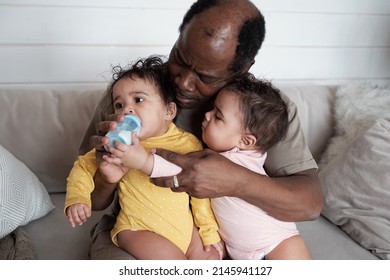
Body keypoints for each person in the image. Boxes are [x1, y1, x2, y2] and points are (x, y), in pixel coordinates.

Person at [80, 0, 323, 259]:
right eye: (179, 59)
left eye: (205, 77)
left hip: (219, 242)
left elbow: (310, 204)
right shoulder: (133, 94)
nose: (183, 82)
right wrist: (108, 175)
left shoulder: (263, 110)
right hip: (139, 230)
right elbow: (91, 199)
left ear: (242, 70)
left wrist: (236, 180)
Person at [65, 56, 223, 260]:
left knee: (212, 257)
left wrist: (208, 231)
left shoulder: (188, 143)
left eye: (138, 100)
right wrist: (78, 199)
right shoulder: (118, 144)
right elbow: (83, 166)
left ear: (169, 111)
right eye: (119, 105)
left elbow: (199, 191)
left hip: (183, 229)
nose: (127, 110)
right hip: (138, 229)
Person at [151, 74, 312, 259]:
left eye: (218, 116)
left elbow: (176, 169)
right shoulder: (226, 155)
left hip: (279, 244)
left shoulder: (238, 160)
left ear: (245, 141)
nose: (207, 114)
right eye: (212, 109)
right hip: (243, 254)